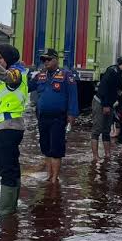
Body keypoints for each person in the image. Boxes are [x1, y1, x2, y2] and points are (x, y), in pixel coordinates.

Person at [0, 44, 28, 218]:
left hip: (7, 127)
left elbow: (8, 77)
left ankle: (5, 212)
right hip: (9, 127)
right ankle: (11, 208)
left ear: (9, 58)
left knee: (6, 170)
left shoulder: (15, 73)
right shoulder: (16, 71)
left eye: (1, 58)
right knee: (12, 168)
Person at [29, 48, 78, 183]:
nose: (46, 62)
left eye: (49, 59)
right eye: (44, 59)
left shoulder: (66, 75)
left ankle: (55, 178)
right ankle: (49, 175)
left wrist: (72, 114)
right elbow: (27, 87)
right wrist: (26, 73)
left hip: (58, 117)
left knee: (56, 148)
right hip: (42, 116)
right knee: (45, 147)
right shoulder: (40, 76)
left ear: (56, 60)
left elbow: (73, 96)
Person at [91, 58, 122, 161]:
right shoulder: (112, 71)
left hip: (109, 105)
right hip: (100, 103)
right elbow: (104, 88)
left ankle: (107, 154)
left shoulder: (120, 75)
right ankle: (95, 156)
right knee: (97, 130)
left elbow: (118, 92)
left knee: (106, 130)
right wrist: (105, 105)